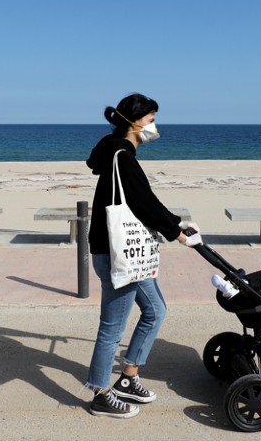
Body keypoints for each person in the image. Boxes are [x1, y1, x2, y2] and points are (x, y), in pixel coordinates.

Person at [85, 93, 201, 419]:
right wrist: (175, 232)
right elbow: (143, 204)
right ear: (135, 123)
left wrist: (176, 223)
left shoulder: (116, 153)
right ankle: (100, 393)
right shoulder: (122, 157)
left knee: (155, 310)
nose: (154, 126)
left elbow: (145, 199)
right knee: (112, 327)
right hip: (117, 255)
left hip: (127, 255)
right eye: (151, 120)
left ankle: (128, 377)